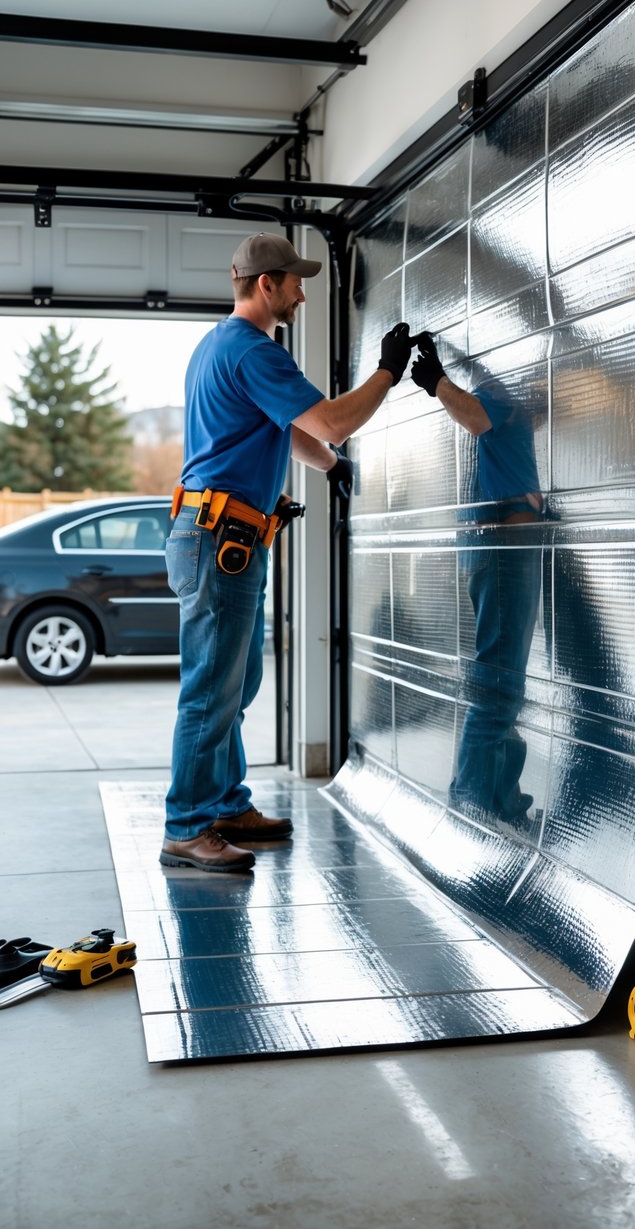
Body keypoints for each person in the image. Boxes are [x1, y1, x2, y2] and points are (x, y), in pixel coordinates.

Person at [161, 232, 419, 873]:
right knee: (210, 691)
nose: (303, 290)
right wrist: (386, 373)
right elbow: (328, 418)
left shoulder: (218, 346)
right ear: (266, 283)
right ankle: (186, 827)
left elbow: (299, 432)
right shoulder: (252, 350)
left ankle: (224, 803)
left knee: (236, 683)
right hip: (221, 538)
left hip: (225, 539)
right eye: (295, 280)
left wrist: (330, 466)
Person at [411, 334, 543, 825]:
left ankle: (500, 802)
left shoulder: (515, 397)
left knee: (505, 679)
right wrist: (439, 382)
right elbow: (476, 416)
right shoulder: (496, 392)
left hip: (504, 549)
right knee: (499, 679)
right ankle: (473, 803)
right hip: (506, 550)